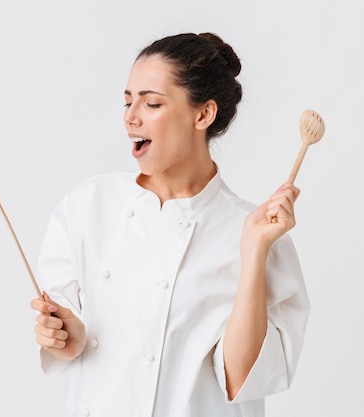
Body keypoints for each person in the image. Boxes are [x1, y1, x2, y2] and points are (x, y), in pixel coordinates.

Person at [30, 32, 309, 417]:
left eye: (152, 103)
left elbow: (242, 379)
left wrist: (253, 250)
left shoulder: (255, 229)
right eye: (128, 101)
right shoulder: (87, 206)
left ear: (203, 114)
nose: (131, 116)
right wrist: (65, 338)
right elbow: (68, 340)